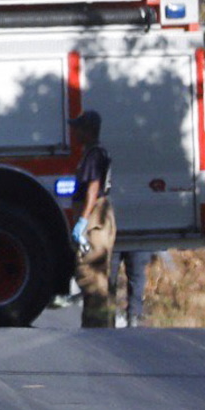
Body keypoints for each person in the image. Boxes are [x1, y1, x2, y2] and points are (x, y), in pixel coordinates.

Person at [68, 109, 116, 328]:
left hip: (95, 216)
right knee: (99, 276)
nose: (74, 131)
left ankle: (97, 330)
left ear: (87, 130)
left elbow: (93, 188)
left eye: (78, 127)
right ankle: (103, 324)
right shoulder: (96, 152)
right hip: (100, 214)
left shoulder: (93, 154)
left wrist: (83, 221)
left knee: (92, 274)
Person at [116, 250, 149, 328]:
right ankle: (134, 320)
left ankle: (134, 320)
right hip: (110, 241)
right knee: (107, 282)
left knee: (137, 279)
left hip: (138, 242)